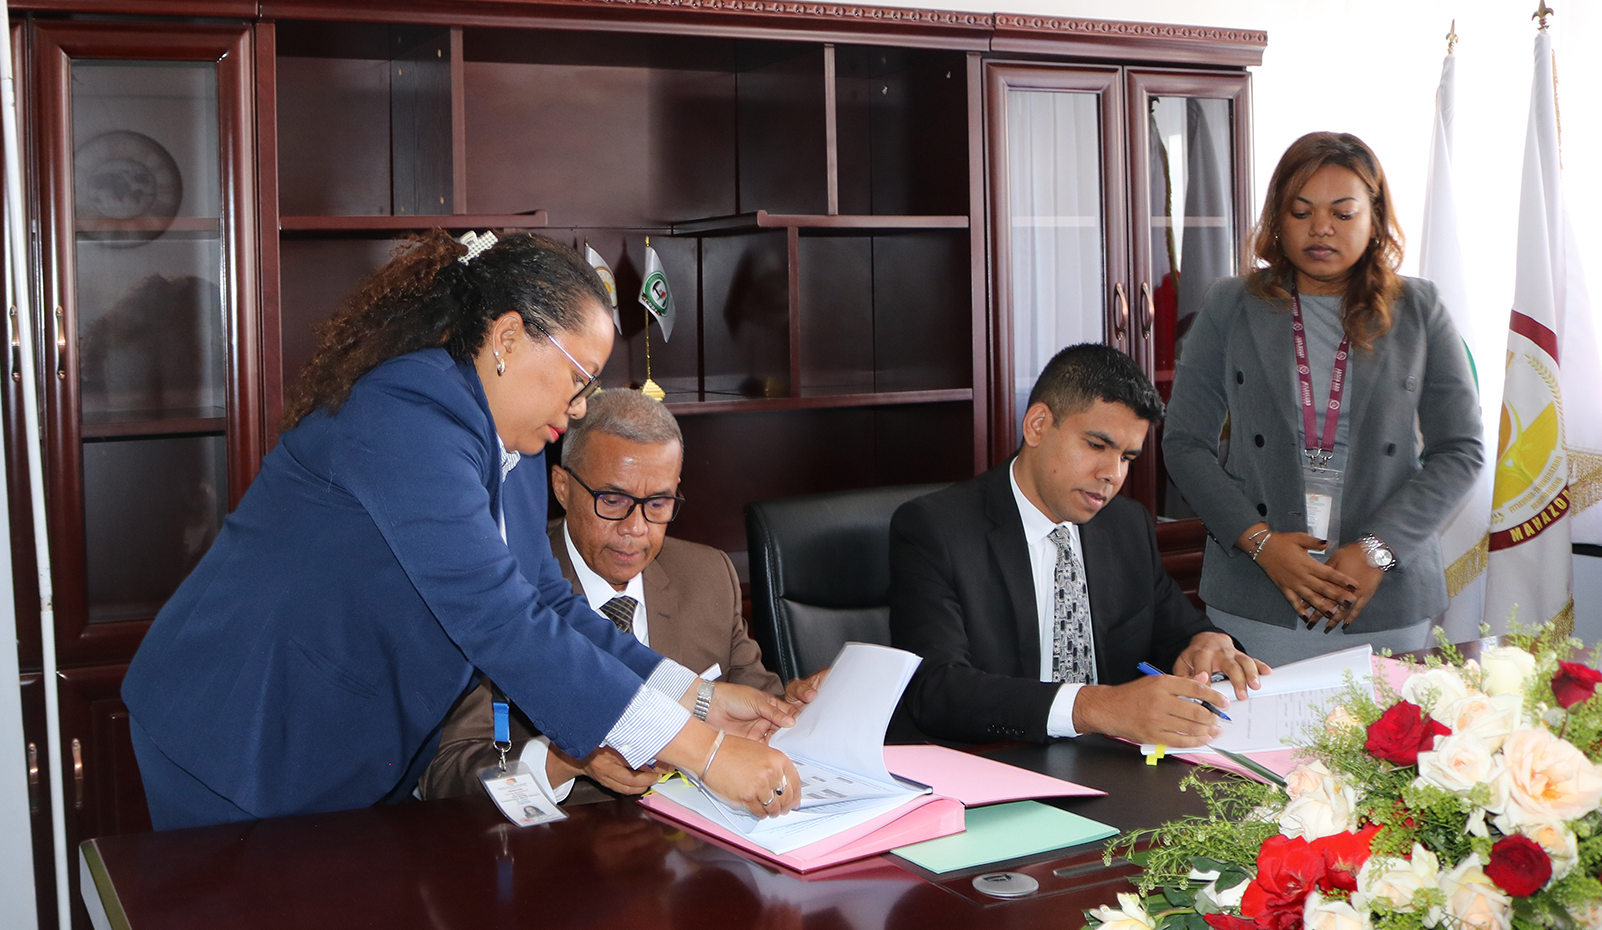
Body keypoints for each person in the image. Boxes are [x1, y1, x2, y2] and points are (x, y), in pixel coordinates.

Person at [122, 231, 802, 828]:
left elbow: (547, 601)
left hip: (354, 732)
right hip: (241, 729)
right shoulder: (405, 414)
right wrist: (705, 752)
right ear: (507, 338)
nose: (580, 406)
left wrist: (698, 699)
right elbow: (502, 620)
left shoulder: (515, 439)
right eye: (577, 377)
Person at [1162, 132, 1484, 663]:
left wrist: (1377, 551)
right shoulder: (1230, 304)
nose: (1321, 228)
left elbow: (1461, 450)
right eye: (1301, 211)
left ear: (1374, 220)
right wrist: (1261, 543)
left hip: (1382, 595)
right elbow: (1184, 443)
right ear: (1277, 219)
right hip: (1256, 592)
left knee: (1385, 719)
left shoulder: (1419, 308)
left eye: (1342, 212)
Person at [421, 388, 824, 802]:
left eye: (658, 504)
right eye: (612, 500)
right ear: (562, 487)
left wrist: (804, 710)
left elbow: (758, 711)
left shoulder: (708, 576)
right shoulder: (501, 587)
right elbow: (443, 774)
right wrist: (565, 761)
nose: (636, 527)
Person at [888, 344, 1268, 747]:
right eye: (1097, 446)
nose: (1112, 474)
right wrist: (1093, 707)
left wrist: (1206, 646)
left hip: (1112, 764)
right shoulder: (936, 529)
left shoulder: (1125, 526)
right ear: (1037, 425)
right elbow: (936, 689)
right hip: (995, 760)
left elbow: (1178, 633)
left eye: (1127, 457)